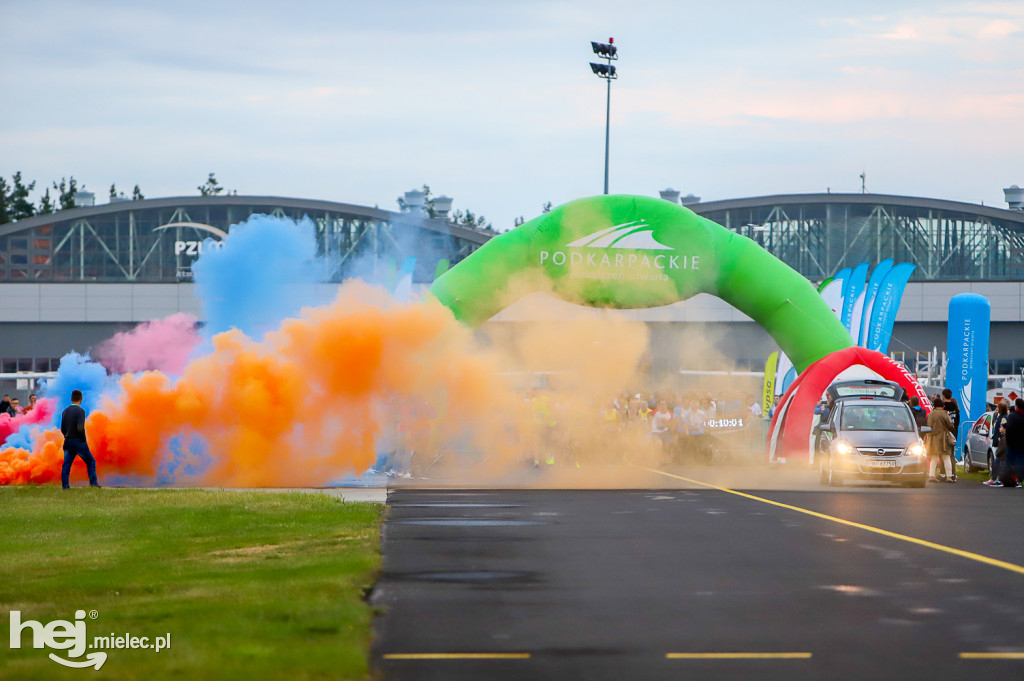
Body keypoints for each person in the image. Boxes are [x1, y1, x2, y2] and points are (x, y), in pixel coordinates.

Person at [60, 389, 100, 489]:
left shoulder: (65, 411)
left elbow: (62, 428)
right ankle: (94, 484)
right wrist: (83, 438)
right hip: (78, 441)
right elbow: (80, 427)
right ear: (81, 399)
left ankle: (65, 486)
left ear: (71, 398)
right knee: (91, 461)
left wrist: (66, 436)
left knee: (67, 465)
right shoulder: (81, 411)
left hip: (67, 441)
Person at [926, 395, 955, 482]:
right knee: (946, 457)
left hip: (933, 438)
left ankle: (932, 475)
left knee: (934, 457)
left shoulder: (931, 414)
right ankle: (949, 477)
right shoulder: (945, 413)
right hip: (944, 438)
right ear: (942, 405)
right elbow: (950, 425)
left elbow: (929, 426)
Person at [984, 400, 1010, 487]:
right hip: (998, 441)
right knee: (997, 460)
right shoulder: (1001, 417)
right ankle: (996, 478)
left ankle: (996, 478)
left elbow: (1003, 428)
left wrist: (999, 438)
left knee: (998, 460)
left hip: (1000, 442)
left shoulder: (1003, 418)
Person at [1001, 398, 1024, 488]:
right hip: (1022, 444)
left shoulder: (1012, 416)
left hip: (1013, 444)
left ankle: (1009, 479)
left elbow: (1009, 430)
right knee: (1021, 462)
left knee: (1009, 462)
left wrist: (1008, 442)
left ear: (1016, 406)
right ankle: (1019, 480)